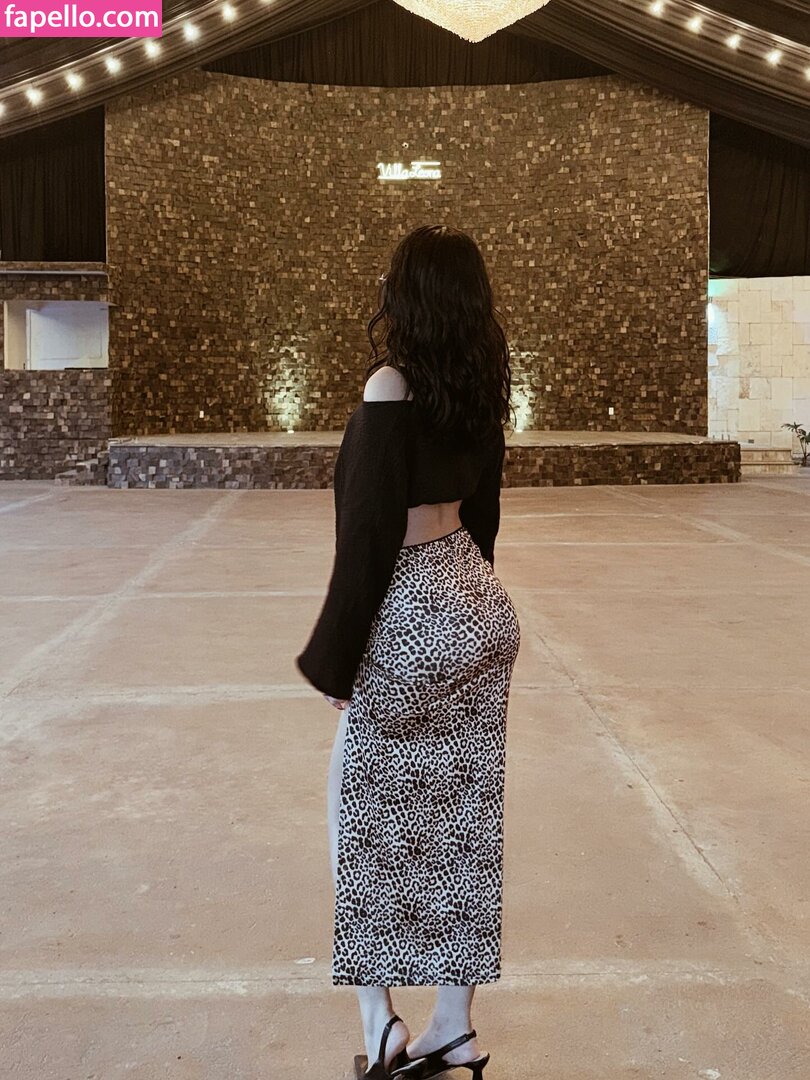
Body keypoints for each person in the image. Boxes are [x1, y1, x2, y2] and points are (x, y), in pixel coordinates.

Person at [296, 224, 521, 1080]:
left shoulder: (390, 386)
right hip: (478, 603)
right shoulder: (480, 383)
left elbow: (368, 533)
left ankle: (381, 1023)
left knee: (357, 812)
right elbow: (485, 514)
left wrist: (337, 659)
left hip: (414, 602)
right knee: (465, 822)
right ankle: (454, 1026)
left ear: (409, 296)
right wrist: (470, 617)